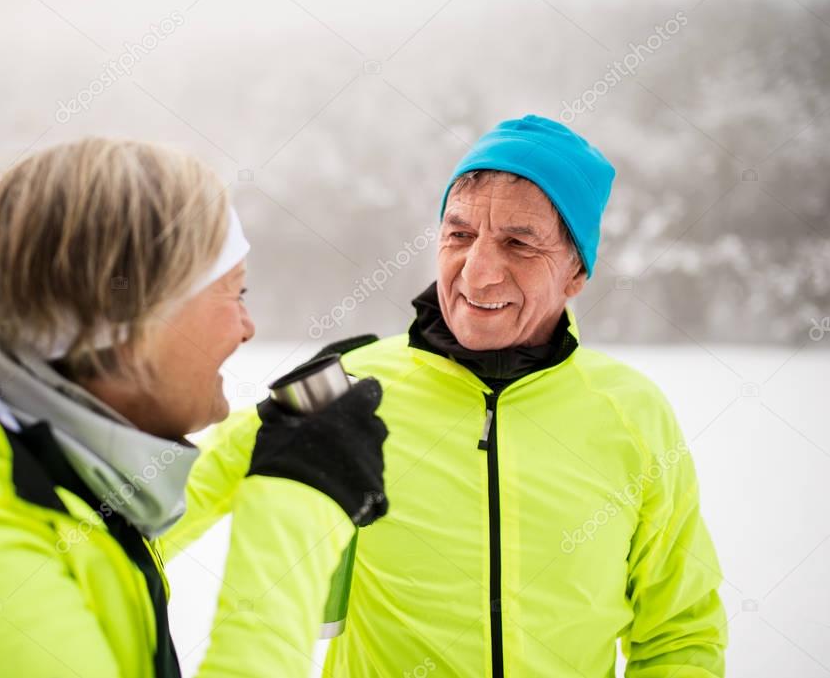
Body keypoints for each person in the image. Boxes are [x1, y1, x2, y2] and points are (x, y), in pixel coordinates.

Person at [161, 115, 728, 676]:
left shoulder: (632, 415)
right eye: (460, 235)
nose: (478, 273)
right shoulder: (349, 389)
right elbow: (154, 517)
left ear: (576, 272)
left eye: (519, 244)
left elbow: (679, 636)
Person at [0, 137, 389, 678]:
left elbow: (95, 531)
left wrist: (260, 445)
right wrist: (296, 510)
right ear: (131, 322)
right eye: (233, 291)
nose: (247, 327)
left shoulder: (22, 455)